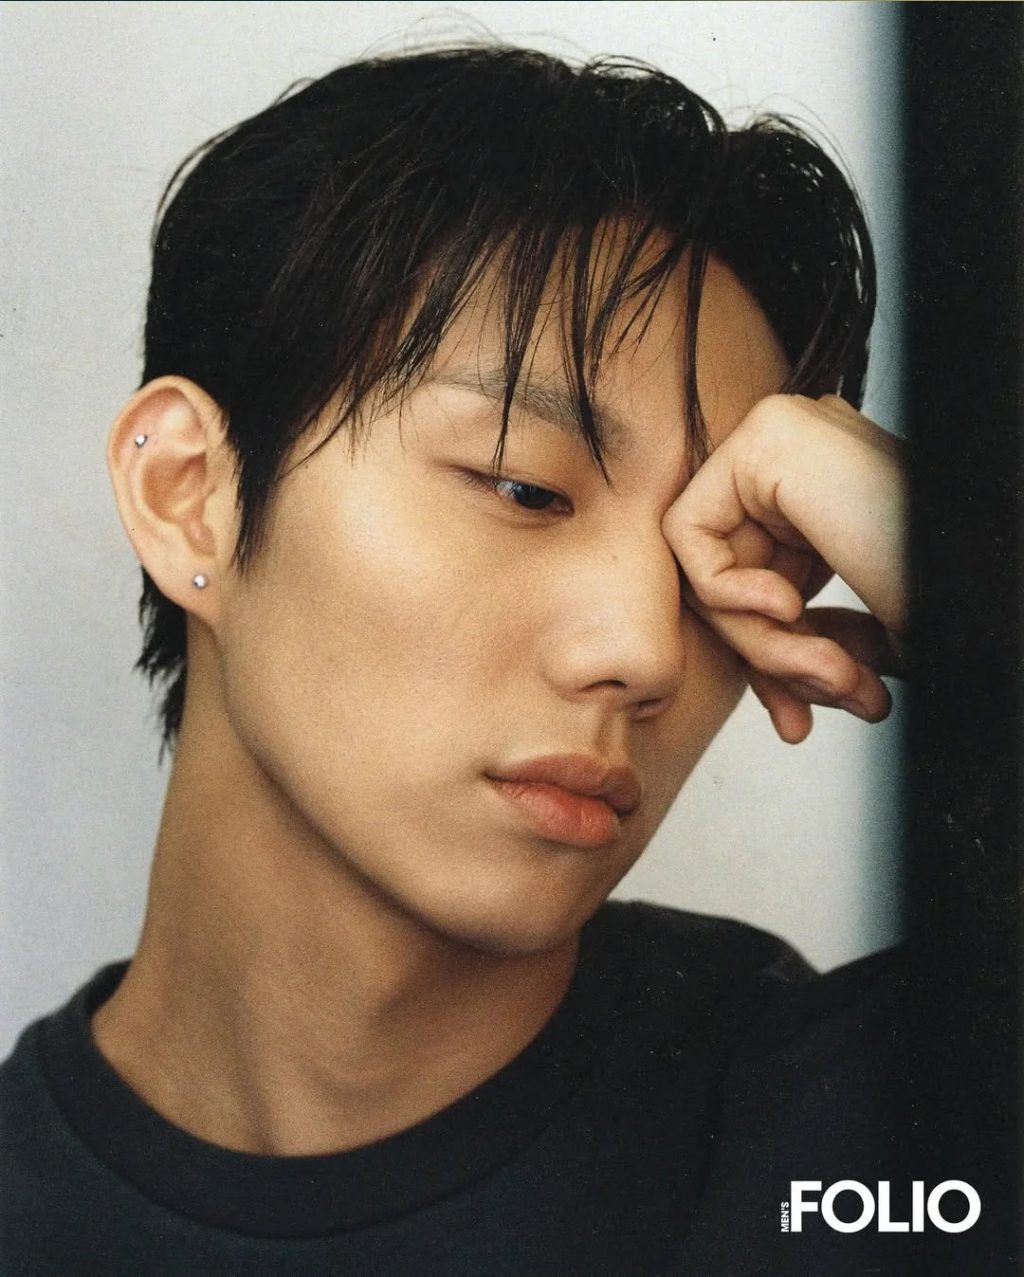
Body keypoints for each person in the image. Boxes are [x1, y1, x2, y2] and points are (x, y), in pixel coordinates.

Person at [0, 45, 910, 1272]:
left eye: (727, 555)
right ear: (190, 495)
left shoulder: (883, 1138)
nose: (645, 650)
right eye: (524, 487)